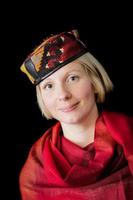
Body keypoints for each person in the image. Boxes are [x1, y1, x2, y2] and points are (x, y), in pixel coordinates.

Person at [19, 30, 133, 200]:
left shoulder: (130, 134)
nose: (63, 94)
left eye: (72, 78)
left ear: (94, 81)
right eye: (49, 86)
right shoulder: (35, 171)